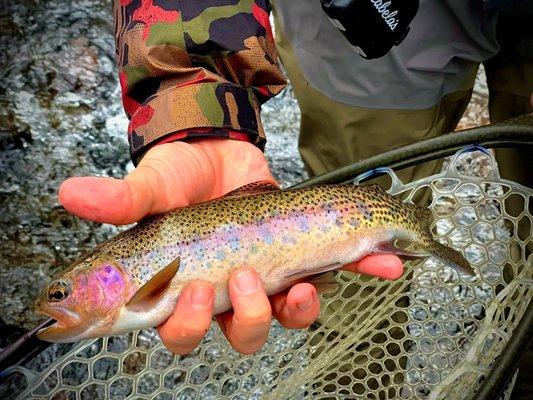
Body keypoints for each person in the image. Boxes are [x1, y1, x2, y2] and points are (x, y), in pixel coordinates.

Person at [58, 0, 531, 356]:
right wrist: (195, 101)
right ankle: (354, 377)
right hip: (360, 27)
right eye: (60, 294)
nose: (57, 302)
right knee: (356, 284)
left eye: (61, 294)